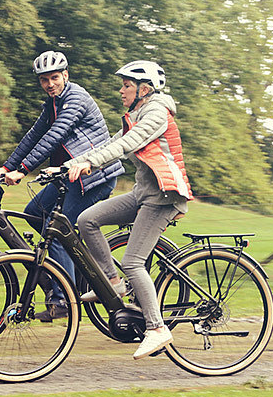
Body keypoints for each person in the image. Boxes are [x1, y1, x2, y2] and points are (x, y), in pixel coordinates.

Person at [64, 59, 193, 359]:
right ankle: (112, 281)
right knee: (87, 220)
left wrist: (89, 164)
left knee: (134, 262)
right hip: (143, 193)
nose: (121, 90)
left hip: (163, 197)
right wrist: (66, 166)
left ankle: (157, 328)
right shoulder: (137, 113)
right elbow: (111, 142)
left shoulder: (156, 113)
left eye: (126, 85)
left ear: (144, 89)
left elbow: (126, 145)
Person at [0, 51, 123, 322]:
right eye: (44, 80)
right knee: (35, 212)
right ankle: (72, 273)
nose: (50, 84)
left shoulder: (75, 99)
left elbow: (55, 137)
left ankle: (64, 298)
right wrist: (7, 167)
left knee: (58, 229)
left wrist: (23, 170)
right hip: (69, 176)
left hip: (93, 176)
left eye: (54, 77)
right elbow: (35, 135)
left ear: (65, 75)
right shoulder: (52, 103)